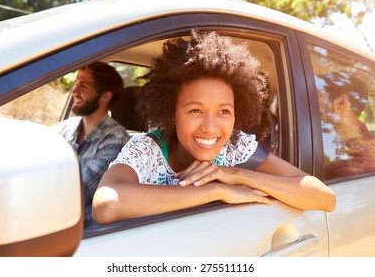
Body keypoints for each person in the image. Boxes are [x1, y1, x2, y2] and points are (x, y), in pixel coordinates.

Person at [92, 30, 336, 224]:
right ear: (172, 113)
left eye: (223, 111)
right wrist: (217, 191)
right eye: (195, 110)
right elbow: (107, 205)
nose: (210, 128)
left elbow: (325, 198)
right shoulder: (147, 149)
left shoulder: (234, 146)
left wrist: (236, 175)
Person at [52, 61, 130, 228]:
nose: (74, 91)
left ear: (105, 96)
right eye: (76, 84)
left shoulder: (115, 138)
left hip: (81, 234)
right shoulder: (65, 128)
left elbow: (75, 194)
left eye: (83, 86)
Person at [316, 71, 375, 179]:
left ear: (341, 102)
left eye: (319, 97)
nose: (315, 104)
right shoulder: (357, 131)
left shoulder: (354, 162)